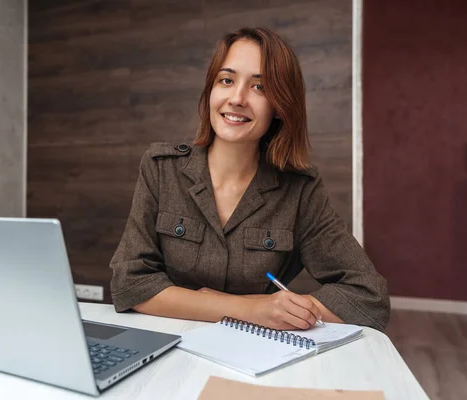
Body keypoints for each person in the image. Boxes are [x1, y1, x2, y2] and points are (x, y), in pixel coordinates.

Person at [109, 27, 390, 332]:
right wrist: (248, 308)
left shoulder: (300, 190)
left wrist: (281, 311)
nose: (237, 98)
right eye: (226, 80)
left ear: (279, 106)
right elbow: (130, 284)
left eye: (259, 87)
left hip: (256, 352)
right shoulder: (161, 168)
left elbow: (369, 298)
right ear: (211, 90)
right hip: (168, 344)